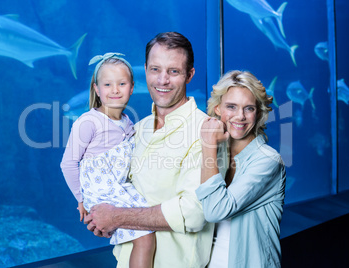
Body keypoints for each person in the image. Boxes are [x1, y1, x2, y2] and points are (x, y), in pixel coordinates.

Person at [84, 32, 214, 268]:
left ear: (190, 75)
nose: (162, 80)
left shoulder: (206, 132)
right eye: (155, 69)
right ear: (145, 70)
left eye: (173, 71)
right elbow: (116, 188)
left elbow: (194, 213)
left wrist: (115, 216)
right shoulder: (136, 129)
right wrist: (98, 215)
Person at [60, 52, 155, 268]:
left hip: (120, 189)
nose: (114, 90)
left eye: (121, 84)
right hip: (102, 194)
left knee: (150, 228)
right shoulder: (88, 122)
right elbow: (67, 164)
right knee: (145, 237)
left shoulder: (128, 122)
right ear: (96, 89)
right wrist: (81, 200)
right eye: (107, 84)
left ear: (132, 88)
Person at [196, 70, 286, 268]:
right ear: (218, 108)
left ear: (259, 112)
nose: (240, 116)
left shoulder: (268, 160)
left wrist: (208, 145)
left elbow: (215, 211)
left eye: (249, 108)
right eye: (231, 106)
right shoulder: (216, 154)